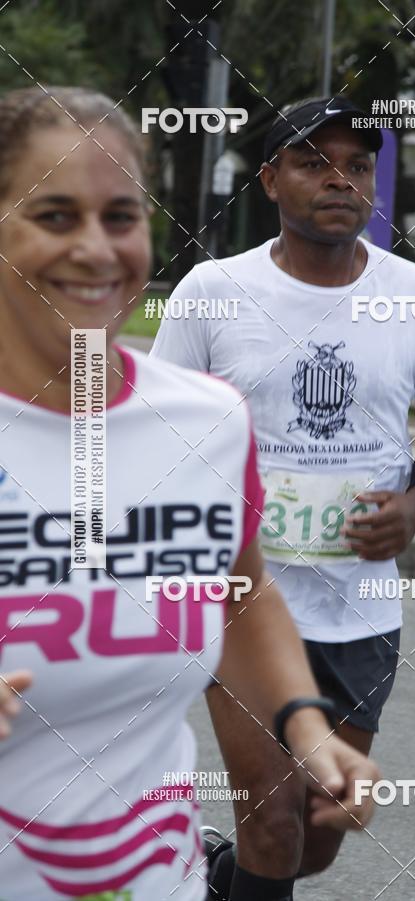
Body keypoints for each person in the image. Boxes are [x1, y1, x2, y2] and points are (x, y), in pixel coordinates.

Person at [0, 86, 380, 901]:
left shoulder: (205, 421)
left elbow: (240, 592)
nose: (97, 250)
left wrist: (307, 730)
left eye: (122, 216)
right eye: (56, 216)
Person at [151, 95, 415, 900]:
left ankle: (217, 876)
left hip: (361, 607)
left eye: (357, 164)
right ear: (270, 179)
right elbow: (157, 427)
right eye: (313, 161)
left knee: (318, 832)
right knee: (273, 819)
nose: (340, 179)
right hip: (242, 599)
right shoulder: (211, 292)